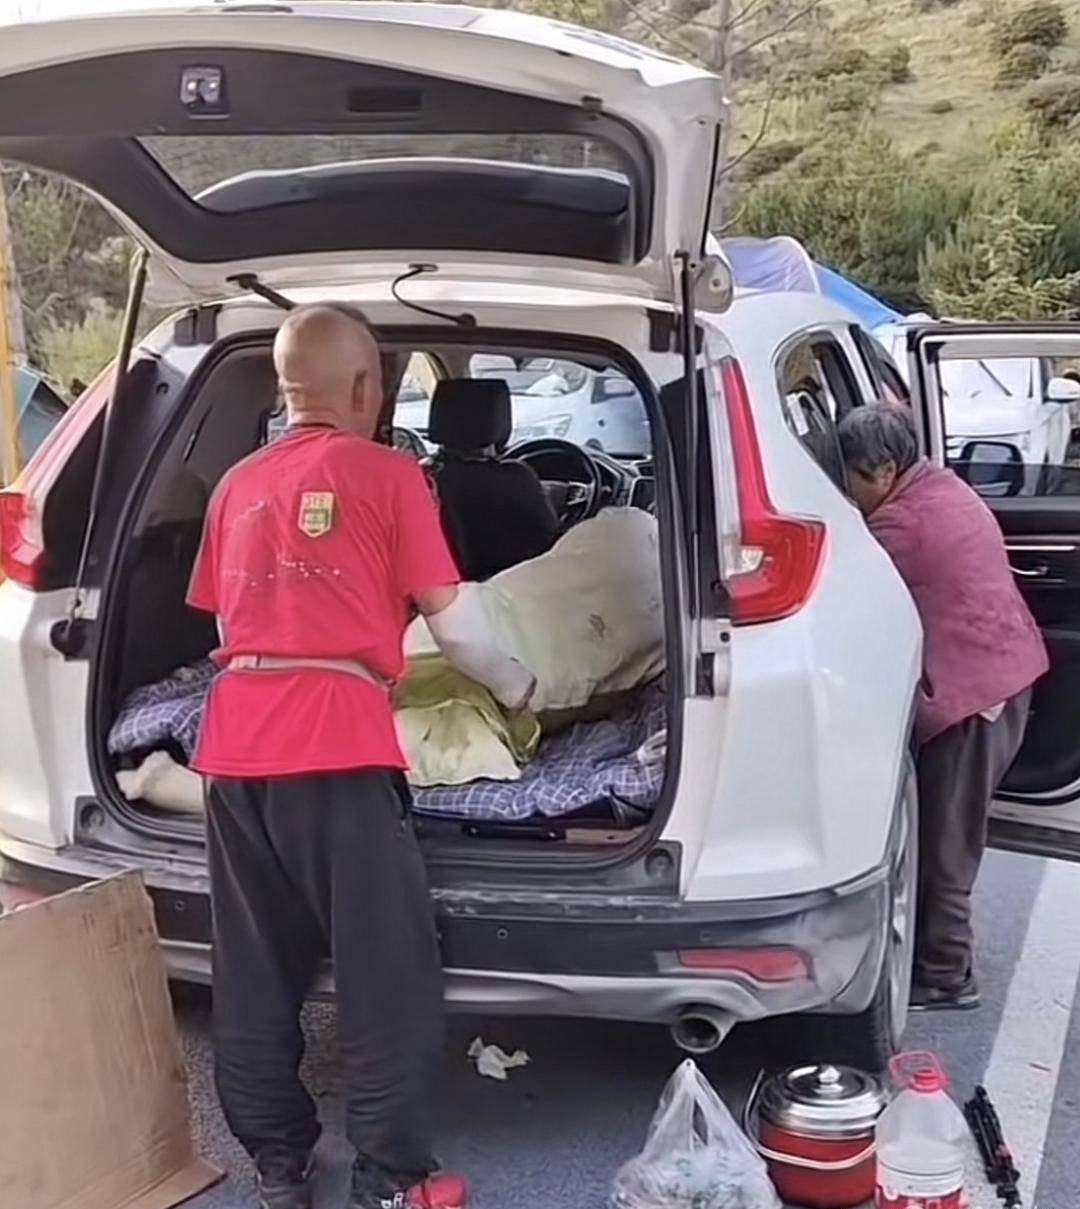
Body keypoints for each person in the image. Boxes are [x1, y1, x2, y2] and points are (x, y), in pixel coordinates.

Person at [187, 304, 535, 1209]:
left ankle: (278, 1162)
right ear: (363, 388)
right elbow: (458, 631)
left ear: (283, 388)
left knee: (253, 966)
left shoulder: (234, 486)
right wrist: (520, 687)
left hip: (233, 750)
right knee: (387, 971)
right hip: (337, 744)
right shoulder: (389, 475)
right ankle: (389, 1174)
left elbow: (228, 621)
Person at [838, 404, 1049, 1012]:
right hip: (1005, 672)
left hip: (974, 697)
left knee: (946, 844)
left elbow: (838, 593)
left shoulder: (901, 526)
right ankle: (939, 958)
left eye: (849, 480)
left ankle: (948, 975)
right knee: (948, 831)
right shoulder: (943, 486)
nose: (847, 494)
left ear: (882, 470)